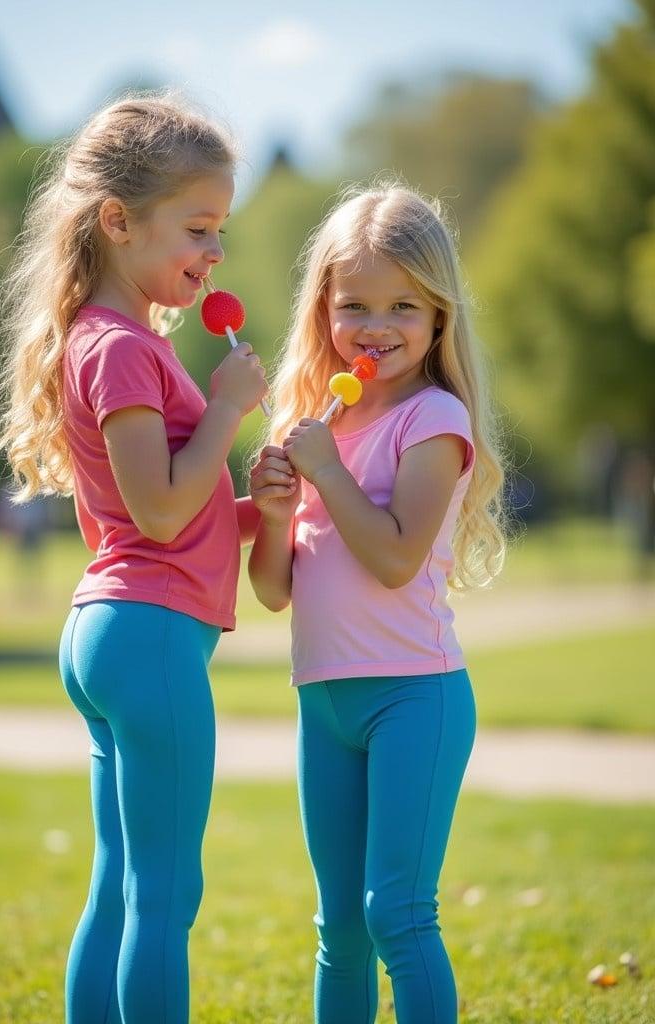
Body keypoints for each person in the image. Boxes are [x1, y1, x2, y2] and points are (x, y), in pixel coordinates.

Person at [0, 93, 267, 1024]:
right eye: (197, 228)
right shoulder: (117, 349)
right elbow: (155, 508)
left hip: (116, 631)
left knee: (120, 889)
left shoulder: (121, 342)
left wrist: (257, 506)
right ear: (118, 222)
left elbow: (179, 511)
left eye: (219, 230)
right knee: (164, 897)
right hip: (148, 639)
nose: (214, 253)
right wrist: (226, 411)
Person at [248, 183, 507, 1024]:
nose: (377, 326)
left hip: (412, 697)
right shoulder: (317, 422)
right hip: (322, 700)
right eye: (354, 303)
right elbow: (275, 590)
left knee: (395, 913)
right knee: (340, 930)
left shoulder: (434, 418)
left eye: (404, 305)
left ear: (438, 319)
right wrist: (279, 514)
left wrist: (324, 473)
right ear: (323, 310)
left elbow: (396, 557)